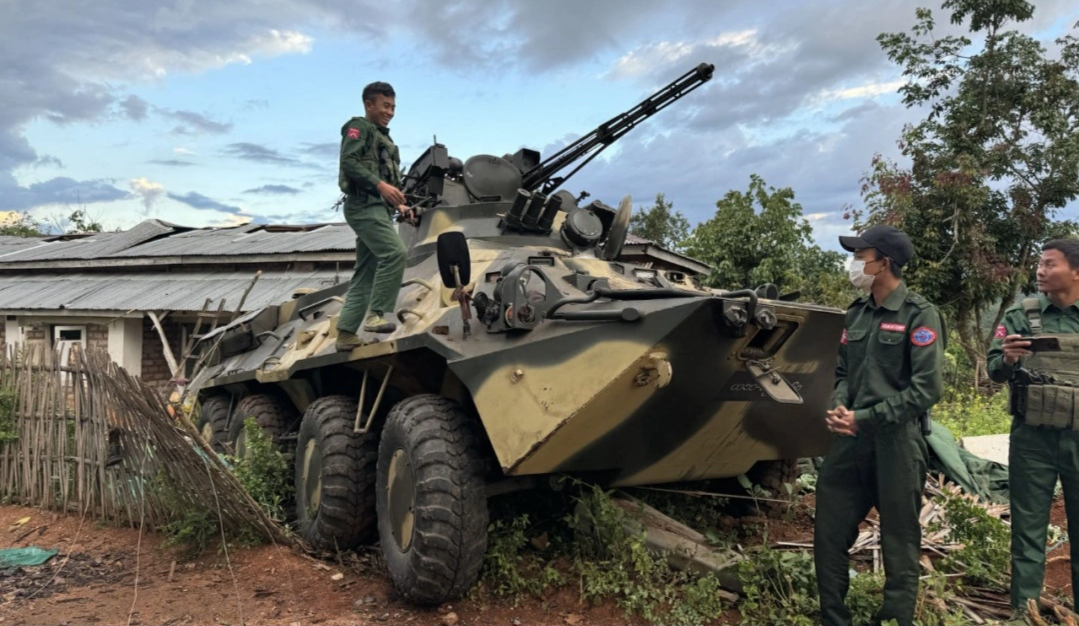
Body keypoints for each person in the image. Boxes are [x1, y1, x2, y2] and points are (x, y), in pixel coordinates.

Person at [813, 224, 945, 626]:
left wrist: (865, 418)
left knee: (899, 540)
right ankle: (834, 618)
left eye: (860, 255)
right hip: (849, 442)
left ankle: (893, 619)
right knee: (829, 531)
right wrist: (838, 406)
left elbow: (926, 390)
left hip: (897, 443)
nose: (854, 263)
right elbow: (840, 372)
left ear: (883, 262)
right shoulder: (856, 313)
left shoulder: (919, 315)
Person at [988, 239, 1079, 618]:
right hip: (1032, 439)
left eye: (1050, 264)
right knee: (1027, 531)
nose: (1040, 271)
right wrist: (1007, 359)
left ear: (1076, 271)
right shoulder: (1021, 313)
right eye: (1039, 264)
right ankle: (1023, 615)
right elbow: (995, 370)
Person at [335, 81, 413, 351]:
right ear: (369, 105)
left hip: (379, 208)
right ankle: (376, 315)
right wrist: (381, 186)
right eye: (385, 106)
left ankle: (345, 334)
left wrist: (400, 204)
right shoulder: (358, 128)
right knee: (394, 254)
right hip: (363, 205)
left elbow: (387, 178)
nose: (390, 111)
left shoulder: (385, 139)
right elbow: (349, 162)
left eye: (393, 107)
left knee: (366, 273)